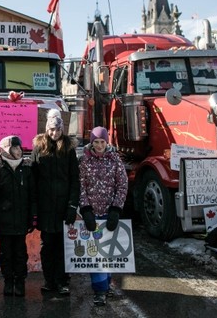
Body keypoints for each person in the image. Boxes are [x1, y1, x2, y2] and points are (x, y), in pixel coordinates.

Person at [30, 109, 80, 296]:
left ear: (62, 129)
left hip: (63, 207)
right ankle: (49, 280)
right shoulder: (38, 149)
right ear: (46, 129)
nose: (54, 133)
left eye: (58, 129)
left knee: (62, 246)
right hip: (45, 207)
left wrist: (72, 206)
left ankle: (63, 281)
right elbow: (33, 180)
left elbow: (75, 180)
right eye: (51, 129)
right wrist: (34, 208)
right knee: (47, 245)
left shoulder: (69, 149)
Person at [79, 126, 128, 306]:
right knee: (95, 254)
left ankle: (106, 284)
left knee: (107, 252)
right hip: (93, 214)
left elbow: (122, 185)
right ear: (91, 143)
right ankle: (99, 290)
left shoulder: (115, 160)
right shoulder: (85, 161)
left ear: (107, 142)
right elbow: (81, 186)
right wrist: (85, 209)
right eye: (96, 142)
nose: (99, 146)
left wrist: (116, 209)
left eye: (102, 142)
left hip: (109, 213)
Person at [0, 135, 36, 297]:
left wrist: (33, 216)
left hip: (21, 218)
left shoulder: (27, 168)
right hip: (3, 219)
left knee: (20, 252)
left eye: (19, 148)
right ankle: (8, 280)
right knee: (5, 252)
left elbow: (32, 194)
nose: (18, 151)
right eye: (14, 148)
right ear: (6, 150)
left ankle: (20, 281)